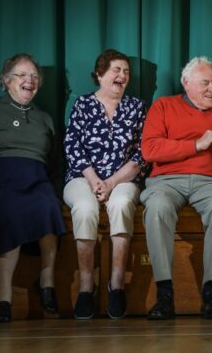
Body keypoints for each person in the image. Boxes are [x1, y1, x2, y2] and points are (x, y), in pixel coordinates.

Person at [0, 53, 66, 323]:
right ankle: (3, 295)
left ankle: (48, 280)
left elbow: (55, 163)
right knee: (12, 208)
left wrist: (56, 190)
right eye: (22, 75)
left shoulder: (45, 119)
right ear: (6, 81)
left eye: (34, 76)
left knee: (49, 205)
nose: (30, 80)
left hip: (36, 178)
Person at [141, 56, 212, 320]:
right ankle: (164, 294)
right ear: (186, 83)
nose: (211, 89)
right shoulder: (163, 106)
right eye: (205, 83)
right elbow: (150, 149)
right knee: (157, 207)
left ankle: (210, 295)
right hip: (166, 181)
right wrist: (196, 144)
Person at [63, 49, 146, 319]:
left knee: (121, 203)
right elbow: (72, 146)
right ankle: (87, 287)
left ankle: (117, 285)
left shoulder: (136, 107)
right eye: (116, 70)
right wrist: (95, 180)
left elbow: (141, 154)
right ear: (100, 74)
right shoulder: (82, 104)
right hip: (82, 176)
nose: (122, 76)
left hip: (123, 178)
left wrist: (111, 182)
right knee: (85, 209)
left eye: (126, 72)